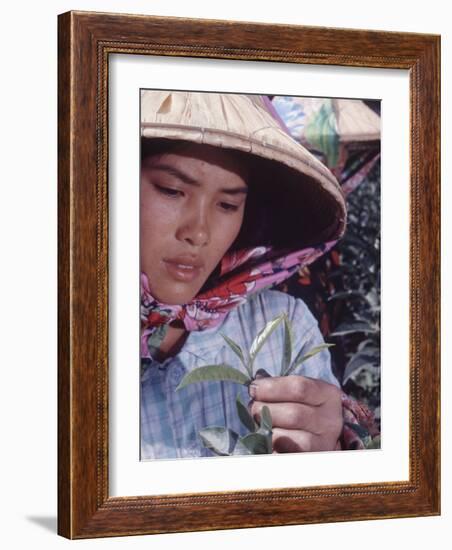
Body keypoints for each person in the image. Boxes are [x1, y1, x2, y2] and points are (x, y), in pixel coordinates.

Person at [140, 91, 349, 460]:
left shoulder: (281, 325)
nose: (199, 232)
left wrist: (329, 448)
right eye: (172, 191)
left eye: (228, 205)